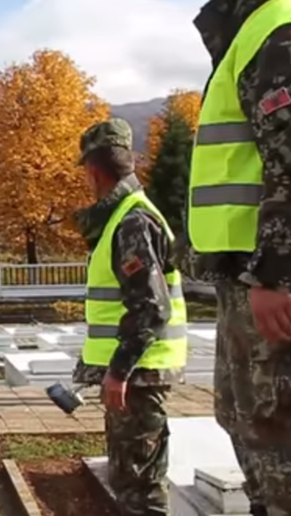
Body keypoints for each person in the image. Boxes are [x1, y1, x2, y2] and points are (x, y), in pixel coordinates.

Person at [180, 0, 291, 514]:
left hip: (283, 279)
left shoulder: (280, 33)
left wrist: (272, 271)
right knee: (245, 421)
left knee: (282, 430)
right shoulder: (252, 34)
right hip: (249, 273)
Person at [72, 119, 188, 516]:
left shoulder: (131, 219)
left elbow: (151, 307)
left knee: (139, 489)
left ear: (93, 170)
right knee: (132, 480)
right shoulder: (129, 213)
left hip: (138, 375)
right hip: (137, 374)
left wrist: (118, 371)